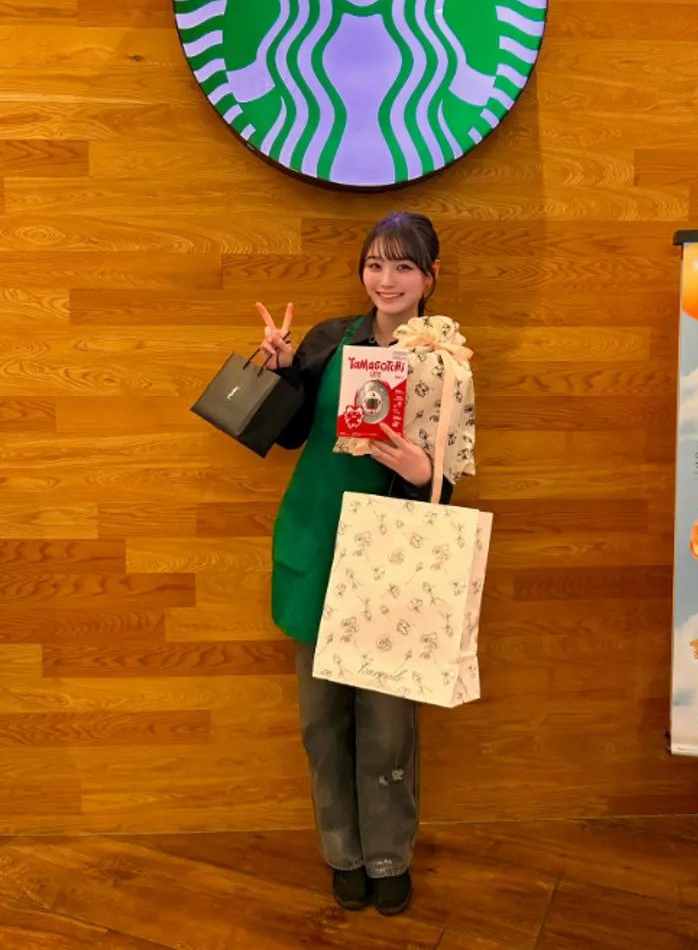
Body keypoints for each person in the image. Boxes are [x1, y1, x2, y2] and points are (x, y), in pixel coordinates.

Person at [256, 212, 462, 917]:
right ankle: (342, 853)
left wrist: (421, 470)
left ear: (430, 277)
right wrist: (283, 371)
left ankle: (388, 856)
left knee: (387, 723)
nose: (387, 279)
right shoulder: (327, 339)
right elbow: (289, 436)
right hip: (317, 540)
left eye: (404, 266)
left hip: (394, 554)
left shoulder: (446, 360)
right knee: (322, 721)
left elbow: (451, 473)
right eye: (376, 264)